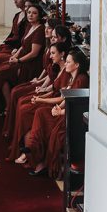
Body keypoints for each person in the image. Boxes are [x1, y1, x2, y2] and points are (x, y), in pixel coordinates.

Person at [23, 49, 89, 177]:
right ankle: (33, 147)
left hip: (71, 118)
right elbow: (66, 99)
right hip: (64, 113)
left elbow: (77, 105)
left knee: (44, 118)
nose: (66, 64)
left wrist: (60, 112)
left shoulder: (82, 79)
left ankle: (35, 152)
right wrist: (58, 108)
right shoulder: (72, 77)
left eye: (69, 62)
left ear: (77, 65)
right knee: (41, 112)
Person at [0, 0, 45, 114]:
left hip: (30, 64)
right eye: (29, 12)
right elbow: (23, 46)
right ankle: (6, 104)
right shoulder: (30, 26)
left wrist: (18, 60)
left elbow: (34, 53)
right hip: (21, 59)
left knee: (0, 73)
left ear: (39, 15)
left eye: (34, 13)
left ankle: (9, 107)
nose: (30, 15)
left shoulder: (40, 30)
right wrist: (15, 55)